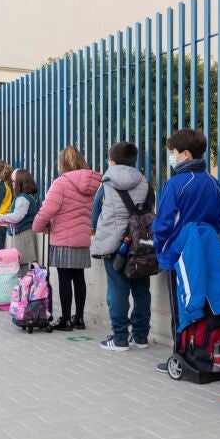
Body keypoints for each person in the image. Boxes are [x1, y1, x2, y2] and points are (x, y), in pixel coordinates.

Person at [151, 129, 220, 366]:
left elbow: (163, 223)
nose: (171, 157)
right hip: (206, 253)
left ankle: (180, 357)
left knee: (181, 307)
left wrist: (161, 248)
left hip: (177, 255)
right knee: (204, 304)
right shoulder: (213, 182)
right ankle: (202, 352)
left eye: (173, 152)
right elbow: (218, 220)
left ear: (185, 154)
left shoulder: (176, 184)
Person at [91, 142, 154, 351]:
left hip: (114, 245)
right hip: (140, 245)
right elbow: (149, 211)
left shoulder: (107, 183)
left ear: (112, 161)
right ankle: (141, 336)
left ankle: (119, 338)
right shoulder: (145, 183)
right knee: (142, 290)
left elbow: (95, 214)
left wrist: (100, 233)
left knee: (118, 290)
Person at [33, 147, 101, 331]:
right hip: (82, 238)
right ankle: (79, 318)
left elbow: (47, 210)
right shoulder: (91, 185)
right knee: (79, 278)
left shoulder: (61, 183)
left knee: (64, 279)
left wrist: (37, 226)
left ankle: (65, 320)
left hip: (63, 238)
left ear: (62, 163)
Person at [0, 168, 40, 275]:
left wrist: (1, 218)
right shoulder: (31, 197)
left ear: (20, 182)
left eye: (14, 182)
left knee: (23, 267)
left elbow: (17, 216)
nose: (13, 184)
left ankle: (23, 285)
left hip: (23, 235)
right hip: (26, 234)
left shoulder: (22, 198)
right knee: (25, 266)